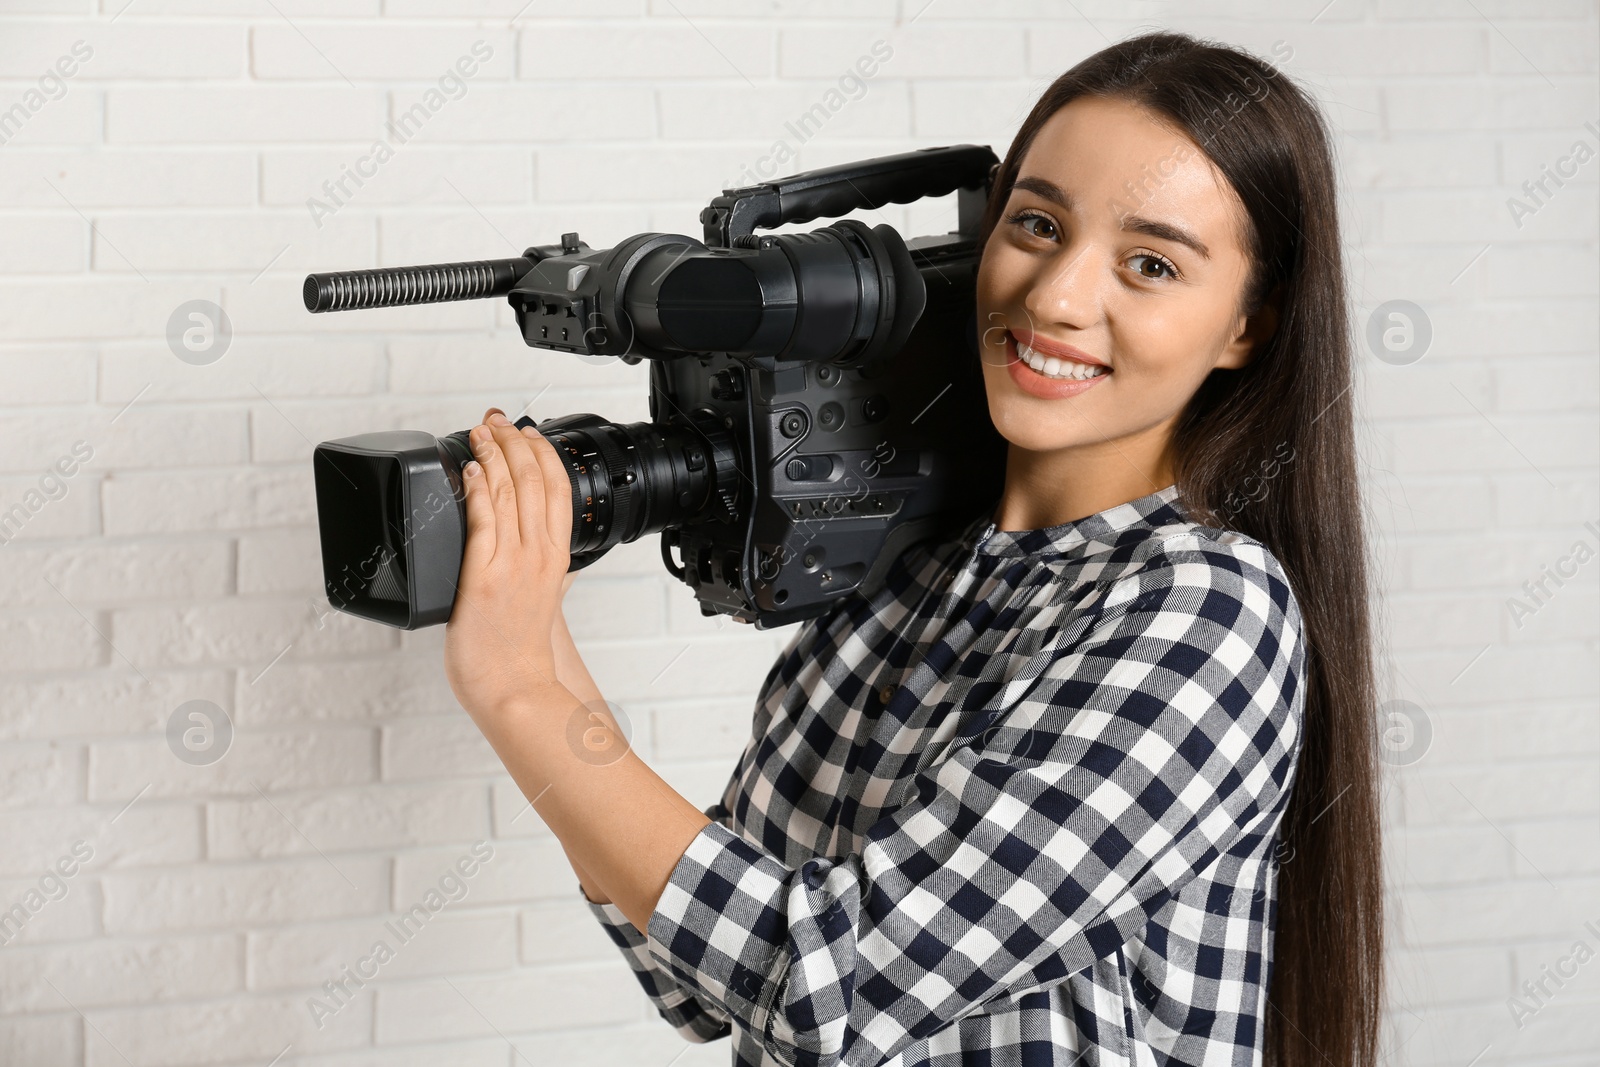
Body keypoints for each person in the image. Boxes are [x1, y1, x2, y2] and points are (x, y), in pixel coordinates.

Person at [440, 30, 1383, 1067]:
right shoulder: (902, 582)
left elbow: (826, 992)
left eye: (1149, 263)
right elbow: (699, 979)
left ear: (1248, 323)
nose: (1057, 297)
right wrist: (530, 628)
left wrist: (520, 688)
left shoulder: (1205, 614)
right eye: (1036, 224)